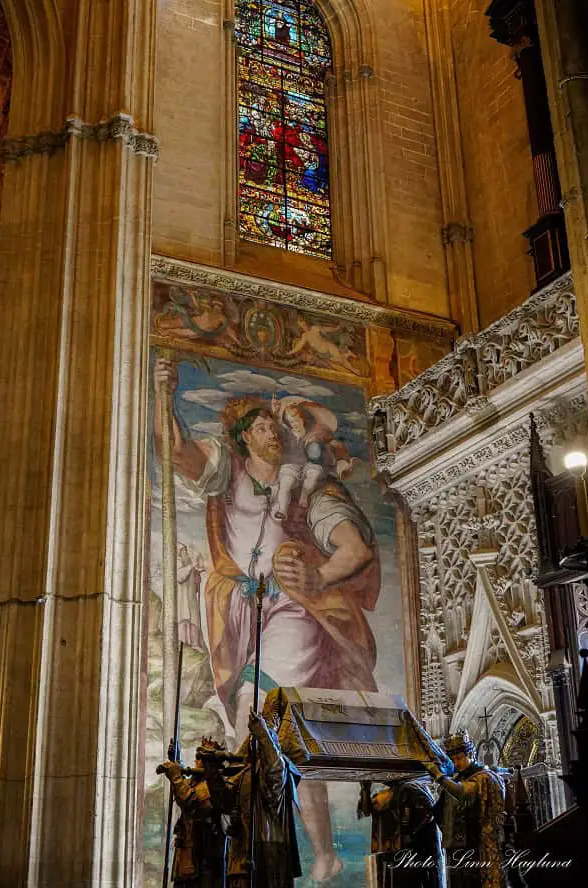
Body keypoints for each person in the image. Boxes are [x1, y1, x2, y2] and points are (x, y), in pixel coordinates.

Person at [153, 357, 381, 882]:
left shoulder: (307, 487)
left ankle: (287, 847)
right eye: (260, 427)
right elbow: (178, 451)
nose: (271, 434)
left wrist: (318, 579)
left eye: (275, 426)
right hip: (238, 610)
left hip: (291, 611)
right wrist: (164, 398)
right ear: (242, 438)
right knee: (255, 721)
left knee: (269, 717)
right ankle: (279, 844)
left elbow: (355, 550)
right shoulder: (227, 473)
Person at [203, 706, 301, 888]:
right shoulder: (245, 773)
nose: (252, 741)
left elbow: (274, 767)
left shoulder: (279, 770)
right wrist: (211, 769)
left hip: (265, 854)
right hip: (241, 858)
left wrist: (264, 734)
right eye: (252, 737)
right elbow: (223, 801)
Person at [427, 730, 507, 888]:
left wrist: (440, 776)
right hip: (455, 844)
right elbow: (439, 809)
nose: (456, 763)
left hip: (475, 842)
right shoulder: (456, 779)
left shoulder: (483, 776)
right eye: (453, 759)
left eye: (460, 758)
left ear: (471, 754)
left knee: (473, 882)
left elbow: (463, 792)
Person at [158, 737, 228, 887]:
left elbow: (192, 802)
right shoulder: (197, 781)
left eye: (201, 758)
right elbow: (186, 785)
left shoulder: (213, 786)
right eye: (198, 757)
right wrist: (176, 760)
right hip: (189, 854)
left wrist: (176, 777)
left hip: (203, 858)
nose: (197, 762)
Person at [357, 777, 445, 888]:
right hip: (393, 849)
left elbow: (427, 814)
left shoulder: (412, 788)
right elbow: (366, 811)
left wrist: (409, 834)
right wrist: (365, 789)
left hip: (414, 850)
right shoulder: (383, 790)